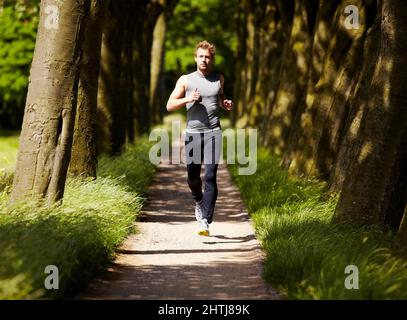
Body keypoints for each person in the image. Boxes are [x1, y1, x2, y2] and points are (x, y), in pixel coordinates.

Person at [166, 40, 233, 236]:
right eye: (201, 56)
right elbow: (169, 105)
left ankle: (205, 220)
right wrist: (188, 99)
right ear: (196, 58)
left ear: (212, 59)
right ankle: (198, 199)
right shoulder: (185, 80)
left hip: (214, 132)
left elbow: (219, 98)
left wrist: (225, 104)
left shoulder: (218, 78)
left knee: (211, 176)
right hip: (194, 134)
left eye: (208, 57)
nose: (204, 60)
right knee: (193, 176)